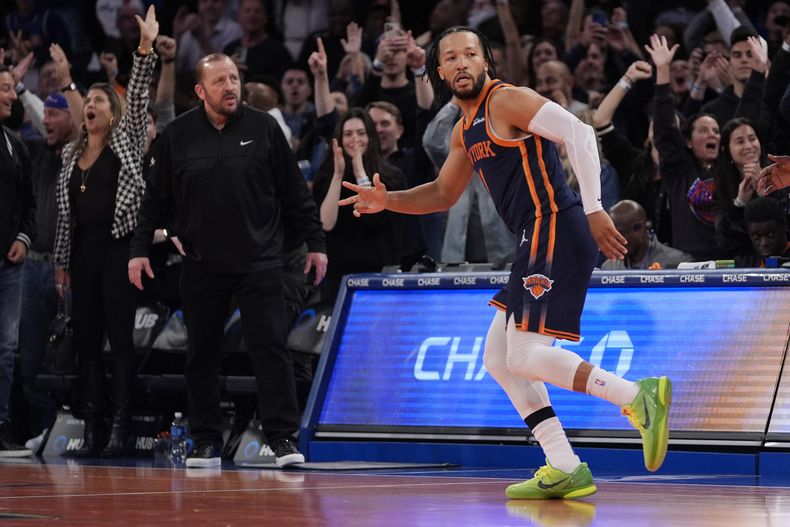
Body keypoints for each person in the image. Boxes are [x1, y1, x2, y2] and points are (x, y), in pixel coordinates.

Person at [339, 26, 672, 500]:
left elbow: (578, 131)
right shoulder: (463, 128)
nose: (460, 63)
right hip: (532, 238)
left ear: (486, 62)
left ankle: (637, 396)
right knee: (498, 358)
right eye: (450, 57)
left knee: (521, 354)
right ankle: (565, 465)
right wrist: (386, 199)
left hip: (555, 224)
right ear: (438, 71)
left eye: (469, 54)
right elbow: (441, 193)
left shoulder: (505, 99)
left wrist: (596, 207)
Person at [128, 52, 327, 469]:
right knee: (201, 352)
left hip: (261, 260)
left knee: (271, 350)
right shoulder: (178, 135)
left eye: (234, 79)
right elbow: (154, 200)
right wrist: (139, 250)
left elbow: (295, 193)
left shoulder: (265, 128)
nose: (230, 87)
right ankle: (205, 441)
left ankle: (282, 439)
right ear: (200, 91)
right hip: (201, 264)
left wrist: (316, 243)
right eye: (219, 81)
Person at [52, 6, 160, 458]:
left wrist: (145, 49)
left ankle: (121, 426)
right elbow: (64, 218)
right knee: (88, 342)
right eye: (88, 101)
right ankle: (92, 426)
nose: (91, 105)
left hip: (119, 251)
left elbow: (136, 96)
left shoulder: (126, 141)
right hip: (83, 253)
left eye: (99, 101)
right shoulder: (70, 156)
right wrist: (61, 265)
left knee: (119, 340)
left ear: (113, 114)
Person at [0, 63, 35, 457]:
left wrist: (25, 238)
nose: (12, 96)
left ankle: (1, 426)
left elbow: (30, 203)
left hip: (9, 264)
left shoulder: (15, 143)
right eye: (6, 89)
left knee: (5, 350)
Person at [601, 200, 691, 270]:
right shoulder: (609, 268)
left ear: (638, 229)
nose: (612, 242)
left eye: (618, 235)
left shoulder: (677, 264)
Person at [735, 197, 789, 267]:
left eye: (770, 235)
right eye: (756, 237)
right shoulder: (743, 264)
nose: (764, 243)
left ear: (784, 227)